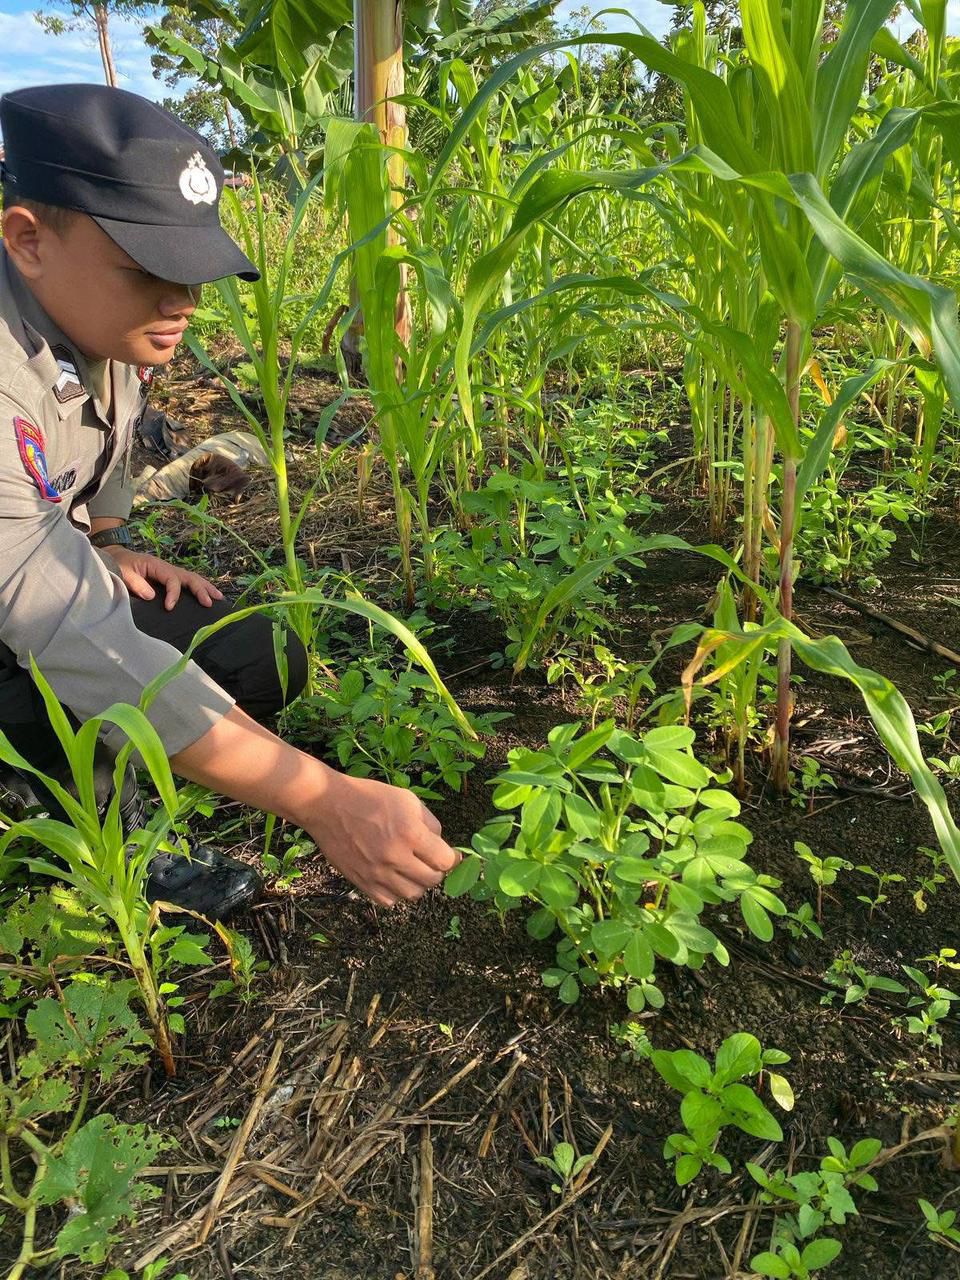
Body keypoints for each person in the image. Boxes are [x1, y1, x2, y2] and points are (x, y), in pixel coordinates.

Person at [0, 83, 460, 919]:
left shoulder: (108, 323)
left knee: (258, 655)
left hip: (35, 576)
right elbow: (56, 619)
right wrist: (321, 797)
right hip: (17, 612)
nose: (182, 304)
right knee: (39, 674)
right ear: (29, 240)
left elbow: (99, 457)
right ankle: (80, 823)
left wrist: (106, 544)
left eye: (194, 274)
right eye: (150, 272)